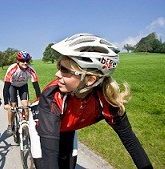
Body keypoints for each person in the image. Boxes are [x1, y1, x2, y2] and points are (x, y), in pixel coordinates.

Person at [33, 33, 153, 169]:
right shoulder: (52, 97)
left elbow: (131, 142)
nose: (57, 74)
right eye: (59, 66)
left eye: (65, 70)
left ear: (90, 79)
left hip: (68, 127)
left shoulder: (106, 98)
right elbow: (49, 157)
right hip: (43, 124)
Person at [3, 50, 41, 134]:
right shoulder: (12, 69)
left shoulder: (31, 70)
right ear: (18, 61)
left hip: (23, 86)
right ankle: (10, 125)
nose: (25, 63)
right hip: (12, 86)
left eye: (27, 61)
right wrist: (6, 103)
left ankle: (26, 126)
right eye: (22, 61)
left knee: (26, 105)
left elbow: (36, 87)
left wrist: (39, 100)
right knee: (13, 106)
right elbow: (6, 87)